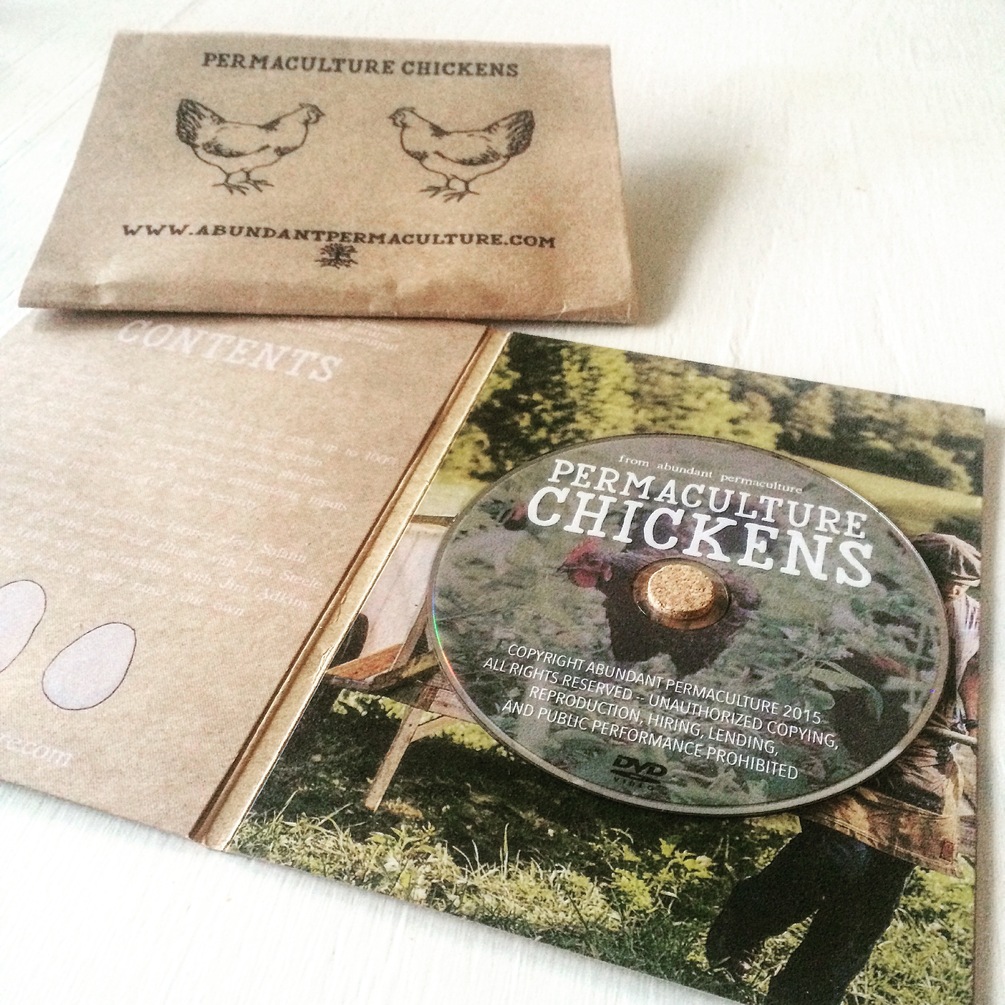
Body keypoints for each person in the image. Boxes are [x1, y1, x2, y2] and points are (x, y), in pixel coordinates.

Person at [705, 533, 980, 1005]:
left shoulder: (977, 620)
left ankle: (806, 994)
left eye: (959, 585)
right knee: (834, 859)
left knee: (871, 900)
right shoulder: (879, 605)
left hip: (923, 772)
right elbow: (830, 664)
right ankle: (740, 928)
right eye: (942, 581)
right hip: (859, 755)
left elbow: (979, 678)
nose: (950, 592)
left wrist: (975, 722)